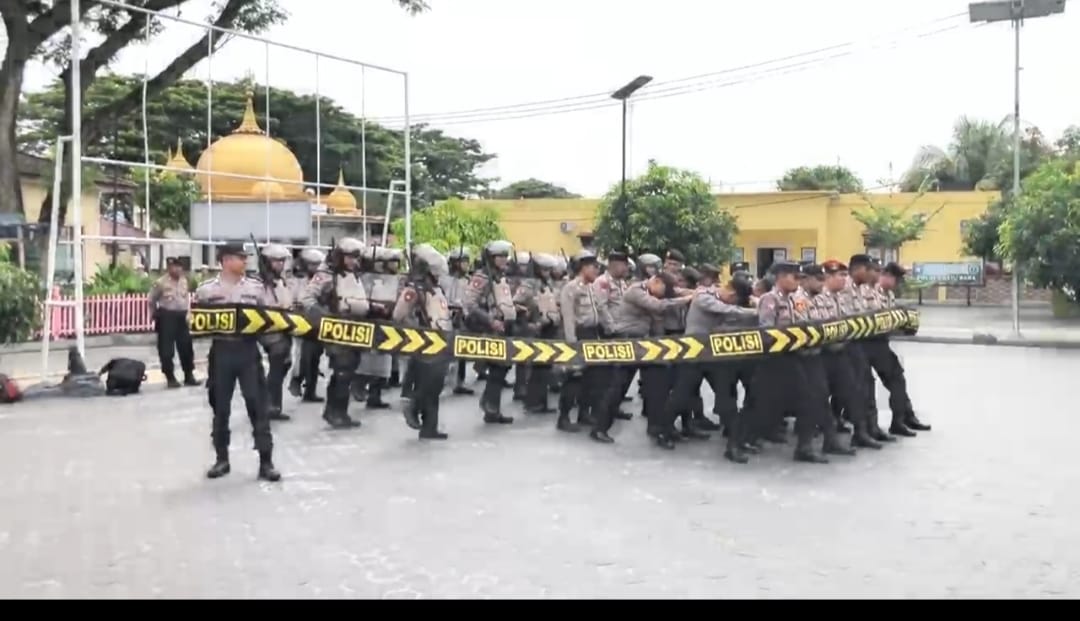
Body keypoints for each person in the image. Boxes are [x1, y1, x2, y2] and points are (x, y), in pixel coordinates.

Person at [197, 243, 280, 482]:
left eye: (245, 258)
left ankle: (266, 462)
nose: (245, 262)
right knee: (220, 408)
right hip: (221, 351)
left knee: (258, 406)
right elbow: (196, 321)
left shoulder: (257, 288)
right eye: (239, 258)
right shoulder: (206, 291)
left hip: (248, 351)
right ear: (225, 260)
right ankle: (221, 459)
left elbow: (271, 317)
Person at [661, 267, 758, 460]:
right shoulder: (704, 296)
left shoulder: (721, 298)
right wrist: (752, 311)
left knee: (726, 399)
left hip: (714, 356)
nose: (733, 303)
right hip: (694, 354)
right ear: (730, 292)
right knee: (681, 396)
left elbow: (730, 320)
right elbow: (726, 310)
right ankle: (663, 430)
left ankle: (734, 443)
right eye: (734, 299)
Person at [596, 271, 692, 443]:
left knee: (658, 389)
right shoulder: (636, 291)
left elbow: (676, 292)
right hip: (629, 342)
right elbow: (658, 306)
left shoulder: (653, 289)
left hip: (649, 344)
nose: (664, 295)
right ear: (656, 281)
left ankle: (657, 429)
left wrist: (694, 293)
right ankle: (600, 428)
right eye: (664, 290)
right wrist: (685, 299)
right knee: (618, 387)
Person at [750, 261, 829, 464]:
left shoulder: (796, 299)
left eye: (800, 278)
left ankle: (804, 447)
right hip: (775, 360)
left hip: (795, 357)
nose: (798, 282)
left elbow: (804, 320)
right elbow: (766, 330)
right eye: (795, 277)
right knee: (759, 403)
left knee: (807, 399)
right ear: (781, 277)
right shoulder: (769, 299)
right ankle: (738, 441)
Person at [300, 237, 370, 429]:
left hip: (355, 328)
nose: (354, 261)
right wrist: (324, 318)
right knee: (342, 369)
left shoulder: (353, 274)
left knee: (349, 370)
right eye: (350, 257)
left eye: (356, 257)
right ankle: (334, 412)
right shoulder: (326, 275)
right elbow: (307, 298)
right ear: (340, 256)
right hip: (336, 328)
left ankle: (340, 412)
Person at [817, 259, 883, 450]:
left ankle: (860, 432)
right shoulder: (819, 299)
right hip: (825, 352)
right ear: (828, 277)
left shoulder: (841, 298)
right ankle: (823, 437)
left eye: (846, 275)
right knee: (819, 395)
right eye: (841, 275)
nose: (845, 280)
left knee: (855, 390)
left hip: (846, 348)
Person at [793, 263, 856, 457]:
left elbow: (829, 322)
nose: (822, 283)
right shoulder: (799, 300)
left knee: (820, 398)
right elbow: (805, 325)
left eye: (823, 279)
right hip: (802, 357)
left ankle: (829, 441)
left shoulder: (819, 299)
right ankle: (804, 447)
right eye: (819, 280)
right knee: (809, 401)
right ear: (805, 280)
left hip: (818, 355)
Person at [395, 245, 453, 440]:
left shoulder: (436, 288)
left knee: (435, 387)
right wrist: (418, 331)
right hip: (424, 343)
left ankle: (429, 428)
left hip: (441, 341)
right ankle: (413, 405)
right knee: (428, 384)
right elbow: (399, 315)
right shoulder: (414, 289)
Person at [870, 261, 931, 433]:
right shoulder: (873, 293)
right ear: (886, 276)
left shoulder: (888, 294)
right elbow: (878, 320)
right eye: (896, 280)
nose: (897, 284)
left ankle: (905, 417)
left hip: (881, 343)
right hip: (870, 343)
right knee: (891, 380)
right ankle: (898, 422)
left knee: (898, 379)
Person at [462, 240, 517, 424]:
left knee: (502, 368)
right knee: (498, 366)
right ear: (491, 258)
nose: (503, 260)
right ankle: (490, 406)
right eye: (499, 256)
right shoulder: (483, 277)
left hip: (504, 327)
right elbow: (470, 303)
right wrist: (490, 320)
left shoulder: (499, 277)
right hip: (489, 328)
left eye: (505, 256)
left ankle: (491, 406)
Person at [557, 251, 606, 437]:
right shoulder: (571, 288)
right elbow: (568, 317)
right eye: (594, 267)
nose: (597, 270)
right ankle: (563, 417)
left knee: (592, 379)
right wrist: (571, 344)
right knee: (574, 378)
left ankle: (584, 413)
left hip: (593, 334)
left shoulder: (592, 287)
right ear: (584, 267)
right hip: (578, 335)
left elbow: (600, 310)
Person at [513, 252, 561, 414]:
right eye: (544, 269)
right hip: (534, 330)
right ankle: (533, 402)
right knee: (535, 369)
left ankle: (542, 402)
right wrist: (526, 314)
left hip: (548, 328)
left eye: (549, 270)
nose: (548, 273)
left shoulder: (548, 285)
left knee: (545, 368)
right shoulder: (527, 286)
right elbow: (515, 304)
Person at [593, 250, 635, 422]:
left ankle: (613, 407)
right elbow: (601, 307)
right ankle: (600, 411)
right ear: (614, 265)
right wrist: (611, 327)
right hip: (609, 333)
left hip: (622, 331)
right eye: (624, 266)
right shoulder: (602, 282)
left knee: (621, 374)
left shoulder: (621, 283)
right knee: (608, 376)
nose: (626, 269)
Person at [357, 246, 400, 409]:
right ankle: (359, 386)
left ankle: (375, 395)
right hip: (368, 319)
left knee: (383, 361)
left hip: (385, 321)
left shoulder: (393, 279)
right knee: (366, 359)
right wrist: (374, 306)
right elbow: (361, 298)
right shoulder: (363, 278)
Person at [256, 243, 294, 422]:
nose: (279, 264)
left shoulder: (280, 281)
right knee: (278, 365)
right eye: (275, 261)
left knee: (284, 364)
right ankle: (271, 405)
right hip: (270, 331)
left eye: (281, 261)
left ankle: (269, 400)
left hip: (286, 327)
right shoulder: (259, 283)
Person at [148, 257, 198, 388]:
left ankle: (189, 375)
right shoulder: (160, 282)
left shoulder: (184, 281)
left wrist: (188, 312)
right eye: (171, 267)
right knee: (166, 349)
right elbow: (151, 299)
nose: (174, 269)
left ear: (181, 268)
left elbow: (186, 298)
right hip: (167, 316)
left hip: (182, 317)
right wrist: (153, 314)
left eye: (177, 267)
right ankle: (170, 377)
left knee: (186, 347)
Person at [288, 248, 326, 403]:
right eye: (312, 265)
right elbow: (294, 300)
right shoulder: (295, 281)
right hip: (300, 322)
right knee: (302, 357)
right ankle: (296, 380)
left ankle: (311, 390)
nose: (315, 268)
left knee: (315, 357)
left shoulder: (322, 279)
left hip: (317, 323)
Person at [442, 247, 475, 395]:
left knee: (461, 350)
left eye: (467, 262)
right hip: (446, 316)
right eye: (463, 262)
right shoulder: (444, 279)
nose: (466, 265)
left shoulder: (468, 281)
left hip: (462, 317)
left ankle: (459, 382)